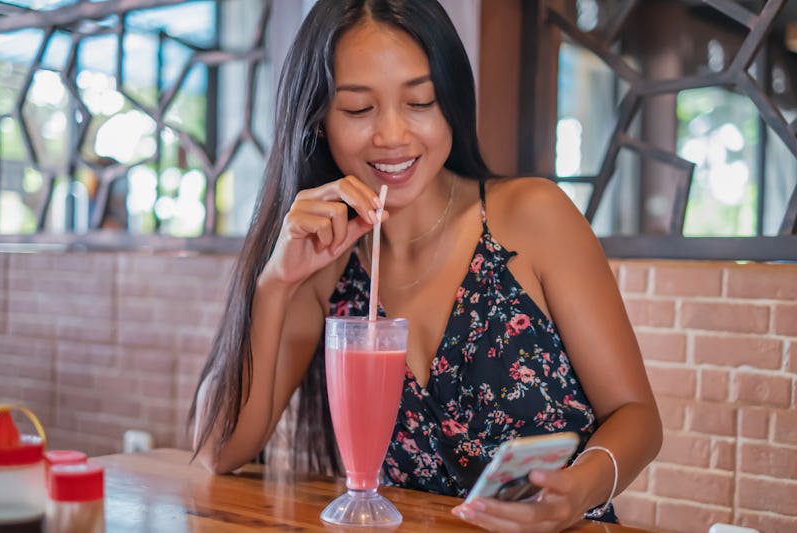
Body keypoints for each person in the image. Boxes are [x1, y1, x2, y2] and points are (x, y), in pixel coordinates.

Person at [189, 1, 663, 531]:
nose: (393, 135)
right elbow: (218, 450)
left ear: (451, 104)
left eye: (420, 101)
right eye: (358, 110)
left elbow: (638, 418)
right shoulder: (325, 266)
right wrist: (275, 282)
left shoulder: (533, 217)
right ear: (318, 121)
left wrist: (579, 490)